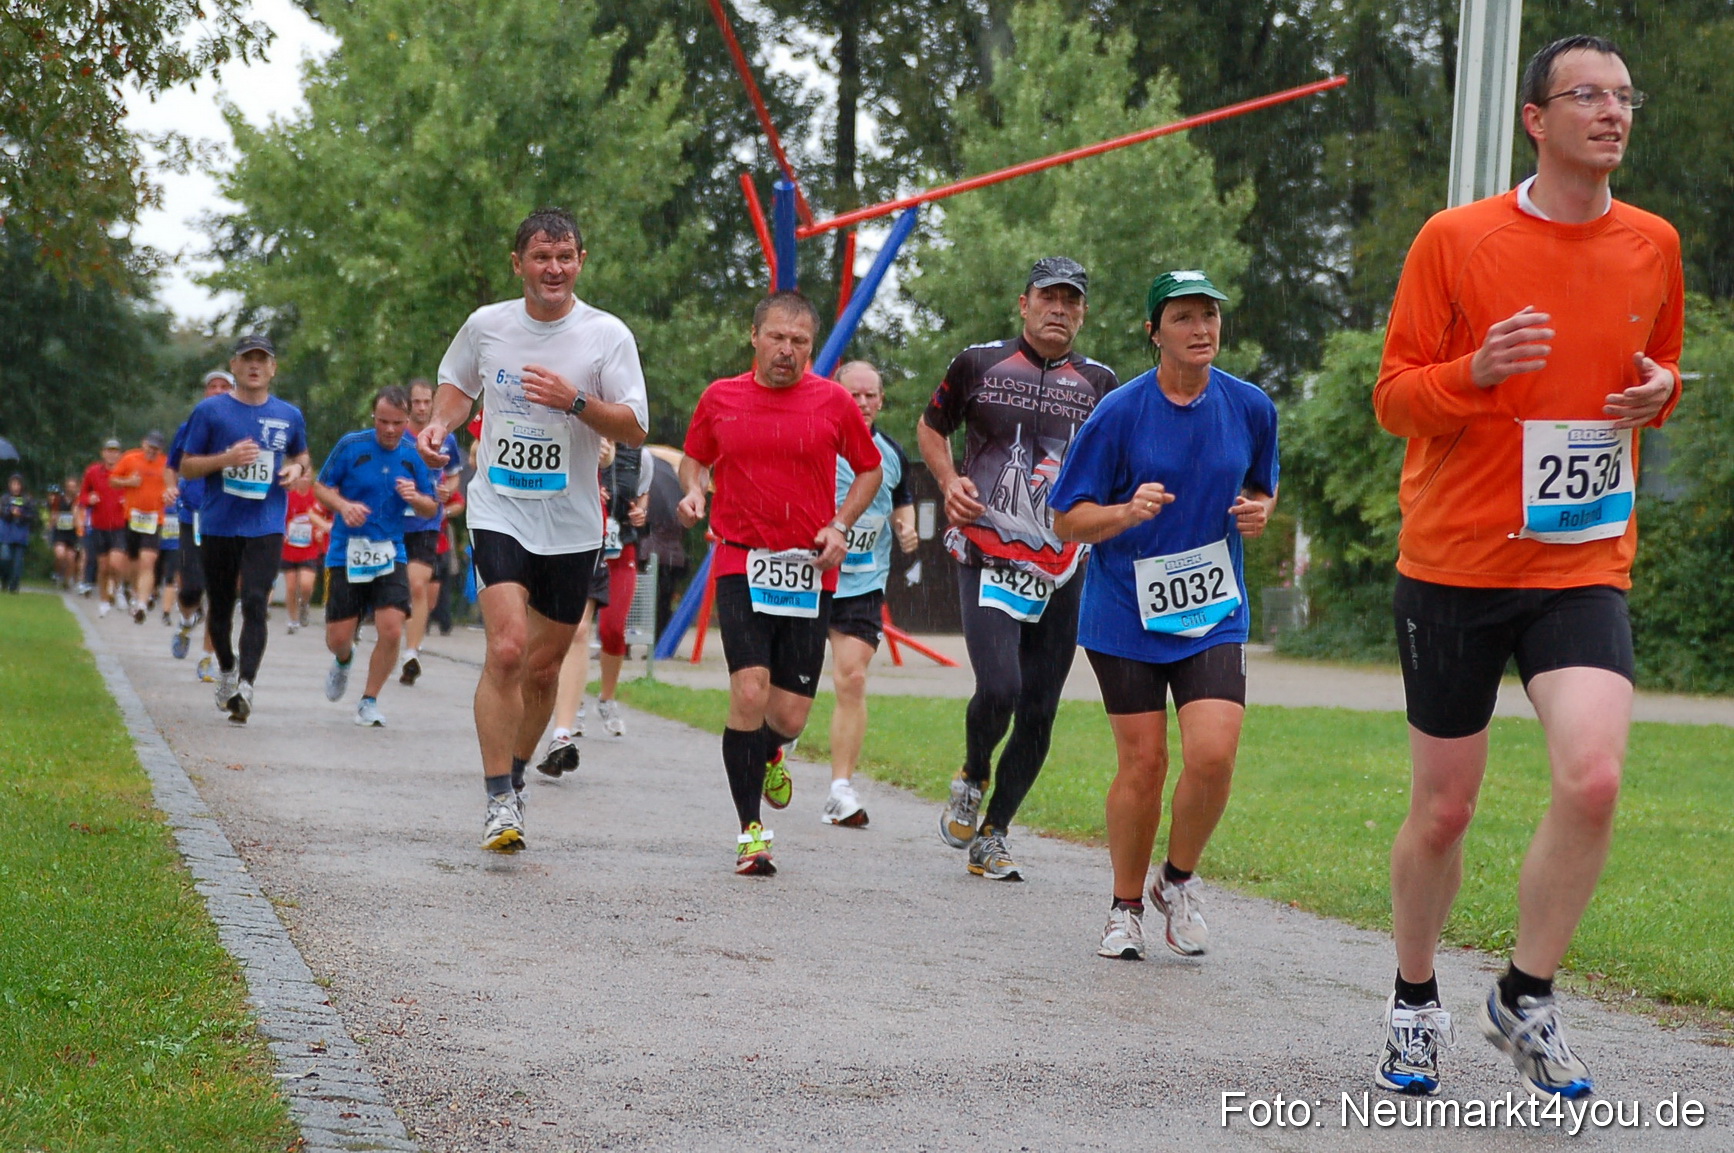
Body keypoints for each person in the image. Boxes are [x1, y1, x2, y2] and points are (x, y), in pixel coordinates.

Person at [1368, 35, 1683, 1100]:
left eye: (1624, 96)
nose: (1612, 112)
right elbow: (1395, 395)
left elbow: (1657, 367)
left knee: (1594, 776)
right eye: (1586, 95)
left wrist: (1662, 393)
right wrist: (1476, 368)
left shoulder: (1654, 244)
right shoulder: (1457, 240)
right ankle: (1415, 998)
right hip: (1455, 561)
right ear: (1536, 121)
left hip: (1581, 556)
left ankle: (1526, 994)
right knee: (1445, 806)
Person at [1049, 270, 1278, 960]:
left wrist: (1260, 512)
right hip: (1126, 609)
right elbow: (1066, 520)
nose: (1201, 328)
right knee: (1143, 763)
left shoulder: (1251, 406)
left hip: (1212, 607)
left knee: (1213, 753)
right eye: (1183, 316)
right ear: (1154, 331)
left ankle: (1176, 880)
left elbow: (1261, 487)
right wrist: (1125, 511)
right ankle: (1123, 909)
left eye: (1210, 314)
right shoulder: (1120, 412)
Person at [418, 207, 649, 852]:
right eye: (541, 257)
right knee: (510, 649)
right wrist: (440, 423)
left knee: (544, 670)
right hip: (499, 508)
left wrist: (574, 401)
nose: (554, 269)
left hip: (572, 522)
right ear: (517, 263)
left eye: (566, 257)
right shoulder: (487, 326)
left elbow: (634, 426)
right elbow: (456, 385)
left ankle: (514, 780)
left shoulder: (606, 336)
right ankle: (497, 799)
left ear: (580, 262)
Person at [917, 257, 1119, 880]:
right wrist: (949, 480)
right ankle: (974, 773)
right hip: (986, 550)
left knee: (1039, 710)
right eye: (1048, 297)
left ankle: (995, 833)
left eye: (1072, 301)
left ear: (1083, 312)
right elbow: (931, 427)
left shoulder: (1102, 383)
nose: (1059, 309)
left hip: (1062, 564)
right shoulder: (978, 363)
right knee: (1000, 687)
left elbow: (1118, 464)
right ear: (1024, 303)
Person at [678, 291, 883, 875]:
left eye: (799, 342)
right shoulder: (721, 398)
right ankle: (750, 832)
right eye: (777, 337)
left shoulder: (834, 402)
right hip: (742, 561)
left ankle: (769, 751)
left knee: (789, 716)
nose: (786, 350)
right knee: (748, 691)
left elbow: (868, 466)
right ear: (754, 337)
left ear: (811, 349)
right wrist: (695, 490)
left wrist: (840, 523)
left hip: (807, 569)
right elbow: (694, 458)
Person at [173, 335, 312, 723]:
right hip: (219, 522)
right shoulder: (211, 411)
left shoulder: (289, 414)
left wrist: (297, 469)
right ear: (233, 366)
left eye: (262, 359)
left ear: (272, 368)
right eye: (247, 359)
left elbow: (302, 455)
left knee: (254, 600)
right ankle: (228, 668)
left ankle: (247, 686)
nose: (254, 366)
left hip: (265, 524)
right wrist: (226, 459)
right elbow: (187, 466)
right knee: (219, 607)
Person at [822, 361, 918, 828]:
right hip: (807, 578)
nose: (862, 404)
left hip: (862, 581)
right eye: (853, 395)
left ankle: (841, 788)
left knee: (852, 678)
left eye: (870, 396)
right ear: (835, 396)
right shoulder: (817, 442)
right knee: (785, 696)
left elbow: (902, 498)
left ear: (881, 400)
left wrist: (907, 527)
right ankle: (779, 739)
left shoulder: (891, 452)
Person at [314, 386, 438, 726]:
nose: (389, 430)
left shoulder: (413, 455)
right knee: (337, 638)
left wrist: (415, 497)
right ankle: (343, 660)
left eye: (397, 423)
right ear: (374, 417)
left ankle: (369, 699)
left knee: (392, 628)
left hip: (390, 551)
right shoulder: (351, 446)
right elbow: (320, 486)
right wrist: (343, 506)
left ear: (407, 420)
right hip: (346, 552)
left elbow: (431, 506)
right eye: (383, 421)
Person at [537, 438, 626, 775]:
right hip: (529, 525)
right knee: (530, 638)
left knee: (578, 630)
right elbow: (479, 445)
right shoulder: (523, 386)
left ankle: (562, 734)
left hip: (585, 530)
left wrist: (605, 454)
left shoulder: (592, 392)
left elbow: (610, 447)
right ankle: (518, 728)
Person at [167, 370, 235, 671]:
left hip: (228, 517)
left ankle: (208, 657)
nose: (218, 391)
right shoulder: (190, 427)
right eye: (212, 386)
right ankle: (186, 619)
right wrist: (170, 486)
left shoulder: (243, 427)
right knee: (191, 587)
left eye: (224, 386)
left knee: (221, 592)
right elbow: (172, 467)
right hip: (192, 514)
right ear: (205, 392)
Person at [399, 378, 465, 684]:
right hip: (394, 523)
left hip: (427, 522)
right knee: (389, 591)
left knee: (418, 585)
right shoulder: (395, 434)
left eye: (428, 402)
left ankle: (412, 652)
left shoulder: (445, 438)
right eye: (417, 402)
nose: (422, 408)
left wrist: (444, 492)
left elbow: (453, 480)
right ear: (408, 404)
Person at [110, 430, 170, 623]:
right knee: (130, 561)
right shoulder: (130, 458)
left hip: (154, 520)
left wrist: (169, 494)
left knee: (148, 560)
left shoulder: (166, 464)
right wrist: (129, 481)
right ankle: (128, 588)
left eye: (156, 448)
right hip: (132, 518)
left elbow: (173, 486)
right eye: (150, 446)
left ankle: (141, 603)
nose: (152, 450)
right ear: (143, 443)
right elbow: (112, 480)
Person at [77, 438, 128, 614]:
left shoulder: (126, 473)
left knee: (116, 563)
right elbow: (82, 496)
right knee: (103, 566)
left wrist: (128, 501)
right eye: (109, 450)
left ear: (120, 454)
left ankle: (119, 588)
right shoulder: (93, 472)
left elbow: (136, 492)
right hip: (99, 525)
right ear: (103, 453)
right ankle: (104, 600)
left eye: (115, 451)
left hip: (120, 524)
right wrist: (88, 499)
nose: (112, 454)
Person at [281, 471, 330, 633]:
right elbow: (281, 518)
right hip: (290, 547)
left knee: (306, 585)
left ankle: (304, 604)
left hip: (310, 548)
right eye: (301, 476)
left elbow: (326, 517)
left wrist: (320, 531)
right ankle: (293, 620)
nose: (304, 480)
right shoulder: (288, 497)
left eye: (307, 477)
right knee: (290, 587)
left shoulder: (316, 498)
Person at [0, 474, 35, 592]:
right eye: (13, 484)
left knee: (18, 562)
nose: (16, 487)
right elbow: (2, 513)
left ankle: (14, 586)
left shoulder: (27, 499)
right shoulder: (5, 498)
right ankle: (4, 579)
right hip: (6, 534)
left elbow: (32, 516)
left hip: (20, 535)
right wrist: (10, 512)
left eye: (18, 484)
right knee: (5, 558)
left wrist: (22, 515)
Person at [48, 476, 81, 588]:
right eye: (69, 486)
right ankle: (57, 573)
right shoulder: (58, 500)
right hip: (60, 532)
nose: (71, 489)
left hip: (72, 533)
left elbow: (80, 518)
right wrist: (53, 521)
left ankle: (67, 580)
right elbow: (53, 515)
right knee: (60, 554)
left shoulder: (78, 501)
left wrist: (76, 517)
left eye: (73, 487)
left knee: (71, 558)